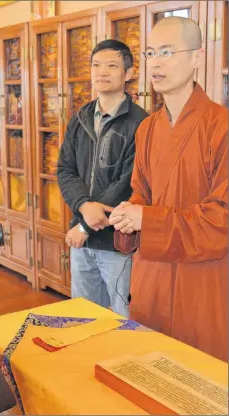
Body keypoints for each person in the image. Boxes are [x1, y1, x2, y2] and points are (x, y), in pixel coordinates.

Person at [109, 17, 228, 361]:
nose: (155, 62)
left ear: (196, 58)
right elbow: (140, 194)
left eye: (166, 52)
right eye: (149, 53)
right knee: (150, 368)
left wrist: (146, 218)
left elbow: (221, 220)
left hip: (203, 280)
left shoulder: (221, 127)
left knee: (199, 380)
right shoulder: (147, 129)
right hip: (152, 276)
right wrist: (128, 216)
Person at [57, 40, 148, 317]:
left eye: (111, 66)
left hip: (117, 243)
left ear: (128, 73)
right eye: (96, 65)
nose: (102, 72)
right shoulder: (80, 117)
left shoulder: (141, 122)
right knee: (82, 318)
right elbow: (65, 169)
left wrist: (84, 227)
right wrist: (84, 207)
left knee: (125, 320)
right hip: (82, 242)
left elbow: (127, 183)